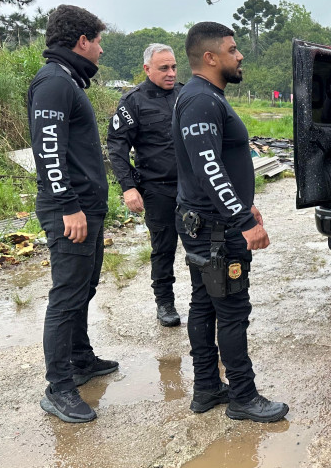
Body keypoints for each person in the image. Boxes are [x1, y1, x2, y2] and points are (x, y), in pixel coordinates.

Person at [172, 21, 288, 422]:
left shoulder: (204, 98)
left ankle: (206, 387)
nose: (239, 56)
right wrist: (242, 219)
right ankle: (243, 395)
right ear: (210, 57)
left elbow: (215, 165)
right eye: (233, 50)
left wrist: (244, 205)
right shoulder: (201, 102)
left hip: (209, 222)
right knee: (232, 310)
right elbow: (209, 169)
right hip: (216, 231)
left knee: (205, 304)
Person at [28, 5, 117, 423]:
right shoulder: (53, 83)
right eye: (97, 41)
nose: (100, 49)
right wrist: (69, 207)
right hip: (70, 210)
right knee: (66, 297)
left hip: (85, 208)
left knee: (84, 288)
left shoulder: (67, 80)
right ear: (82, 41)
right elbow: (48, 150)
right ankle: (58, 387)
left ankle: (81, 359)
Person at [107, 44, 184, 327]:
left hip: (191, 188)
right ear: (147, 69)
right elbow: (117, 146)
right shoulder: (133, 102)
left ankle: (206, 299)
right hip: (157, 188)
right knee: (163, 248)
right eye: (164, 68)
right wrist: (128, 187)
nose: (171, 73)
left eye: (174, 67)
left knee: (203, 245)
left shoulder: (186, 94)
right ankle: (165, 303)